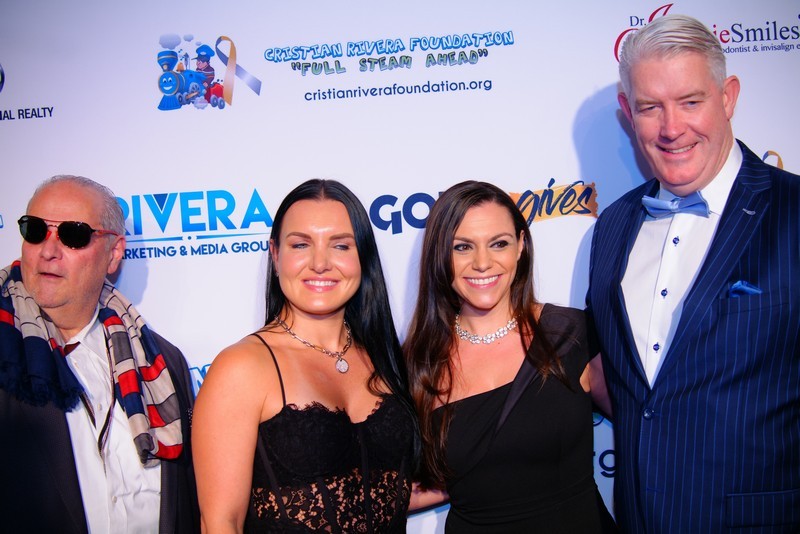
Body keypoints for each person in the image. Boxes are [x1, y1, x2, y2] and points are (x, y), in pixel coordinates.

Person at [587, 13, 800, 532]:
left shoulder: (793, 211)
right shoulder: (613, 226)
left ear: (727, 98)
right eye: (650, 107)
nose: (671, 128)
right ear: (627, 113)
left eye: (690, 102)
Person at [192, 179, 418, 533]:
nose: (320, 263)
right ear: (275, 255)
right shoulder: (242, 367)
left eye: (340, 245)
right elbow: (221, 522)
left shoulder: (382, 356)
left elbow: (387, 490)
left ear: (362, 256)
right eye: (301, 244)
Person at [405, 180, 613, 532]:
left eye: (498, 243)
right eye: (462, 247)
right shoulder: (418, 361)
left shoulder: (570, 334)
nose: (482, 263)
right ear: (440, 255)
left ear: (520, 246)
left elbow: (646, 427)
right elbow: (421, 485)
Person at [0, 175, 199, 533]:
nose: (48, 251)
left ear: (115, 253)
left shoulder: (162, 361)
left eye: (73, 235)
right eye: (35, 231)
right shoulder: (7, 352)